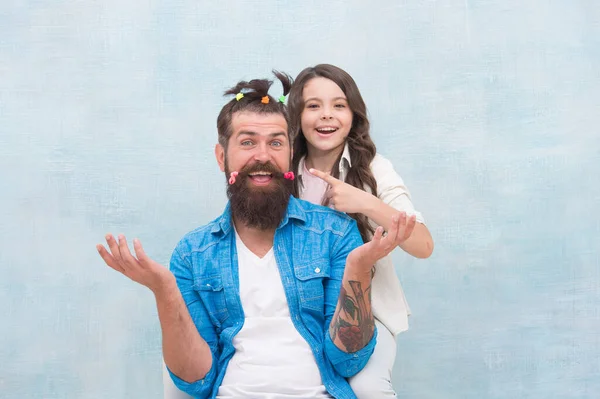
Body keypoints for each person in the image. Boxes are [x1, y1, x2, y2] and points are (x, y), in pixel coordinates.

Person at [96, 72, 412, 399]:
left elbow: (348, 360)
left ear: (290, 154)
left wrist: (358, 271)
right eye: (247, 142)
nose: (262, 156)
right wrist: (165, 292)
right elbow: (196, 380)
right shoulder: (193, 253)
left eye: (275, 142)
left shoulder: (335, 233)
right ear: (222, 157)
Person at [287, 64, 434, 398]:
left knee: (368, 387)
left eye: (339, 106)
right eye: (313, 106)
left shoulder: (374, 169)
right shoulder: (285, 170)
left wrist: (366, 202)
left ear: (354, 115)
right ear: (296, 114)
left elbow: (424, 244)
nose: (327, 116)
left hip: (365, 313)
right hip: (300, 311)